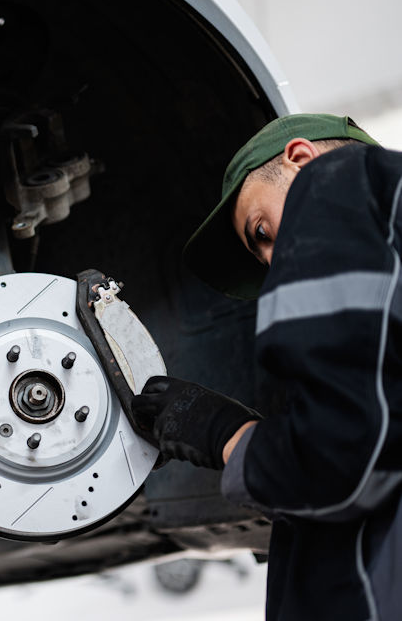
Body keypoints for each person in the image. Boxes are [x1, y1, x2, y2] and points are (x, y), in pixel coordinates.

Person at [128, 113, 402, 621]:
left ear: (300, 158)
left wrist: (227, 434)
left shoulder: (342, 182)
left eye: (261, 231)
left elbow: (341, 465)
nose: (275, 262)